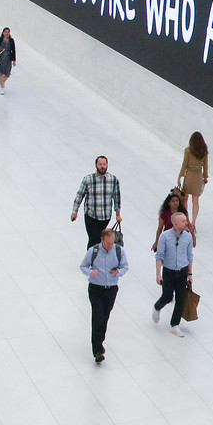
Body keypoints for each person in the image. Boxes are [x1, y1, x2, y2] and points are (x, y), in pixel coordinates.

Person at [81, 226, 128, 362]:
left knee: (105, 316)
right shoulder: (93, 251)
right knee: (97, 316)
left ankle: (100, 341)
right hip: (96, 288)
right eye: (108, 243)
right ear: (102, 240)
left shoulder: (119, 251)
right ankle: (96, 349)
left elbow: (125, 266)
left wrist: (118, 272)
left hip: (111, 288)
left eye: (112, 242)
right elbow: (83, 266)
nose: (110, 245)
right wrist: (91, 272)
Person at [151, 211, 193, 332]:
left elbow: (190, 256)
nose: (186, 223)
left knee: (181, 298)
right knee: (167, 296)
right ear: (175, 223)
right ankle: (157, 307)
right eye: (183, 221)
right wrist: (158, 274)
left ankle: (175, 324)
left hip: (182, 271)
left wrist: (190, 273)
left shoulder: (188, 237)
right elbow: (159, 256)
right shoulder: (165, 237)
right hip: (168, 271)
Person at [71, 155, 121, 248]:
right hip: (91, 216)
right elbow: (79, 195)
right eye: (100, 164)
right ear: (96, 165)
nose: (102, 166)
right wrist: (75, 212)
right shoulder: (88, 179)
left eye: (104, 164)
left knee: (100, 240)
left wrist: (118, 214)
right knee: (93, 239)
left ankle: (98, 259)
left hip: (105, 217)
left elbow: (117, 198)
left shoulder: (113, 180)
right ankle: (91, 260)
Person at [176, 131, 209, 230]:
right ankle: (193, 223)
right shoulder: (204, 151)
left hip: (189, 176)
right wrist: (205, 177)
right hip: (198, 177)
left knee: (185, 199)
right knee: (196, 201)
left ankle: (187, 221)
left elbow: (184, 164)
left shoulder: (188, 151)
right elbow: (205, 166)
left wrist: (180, 176)